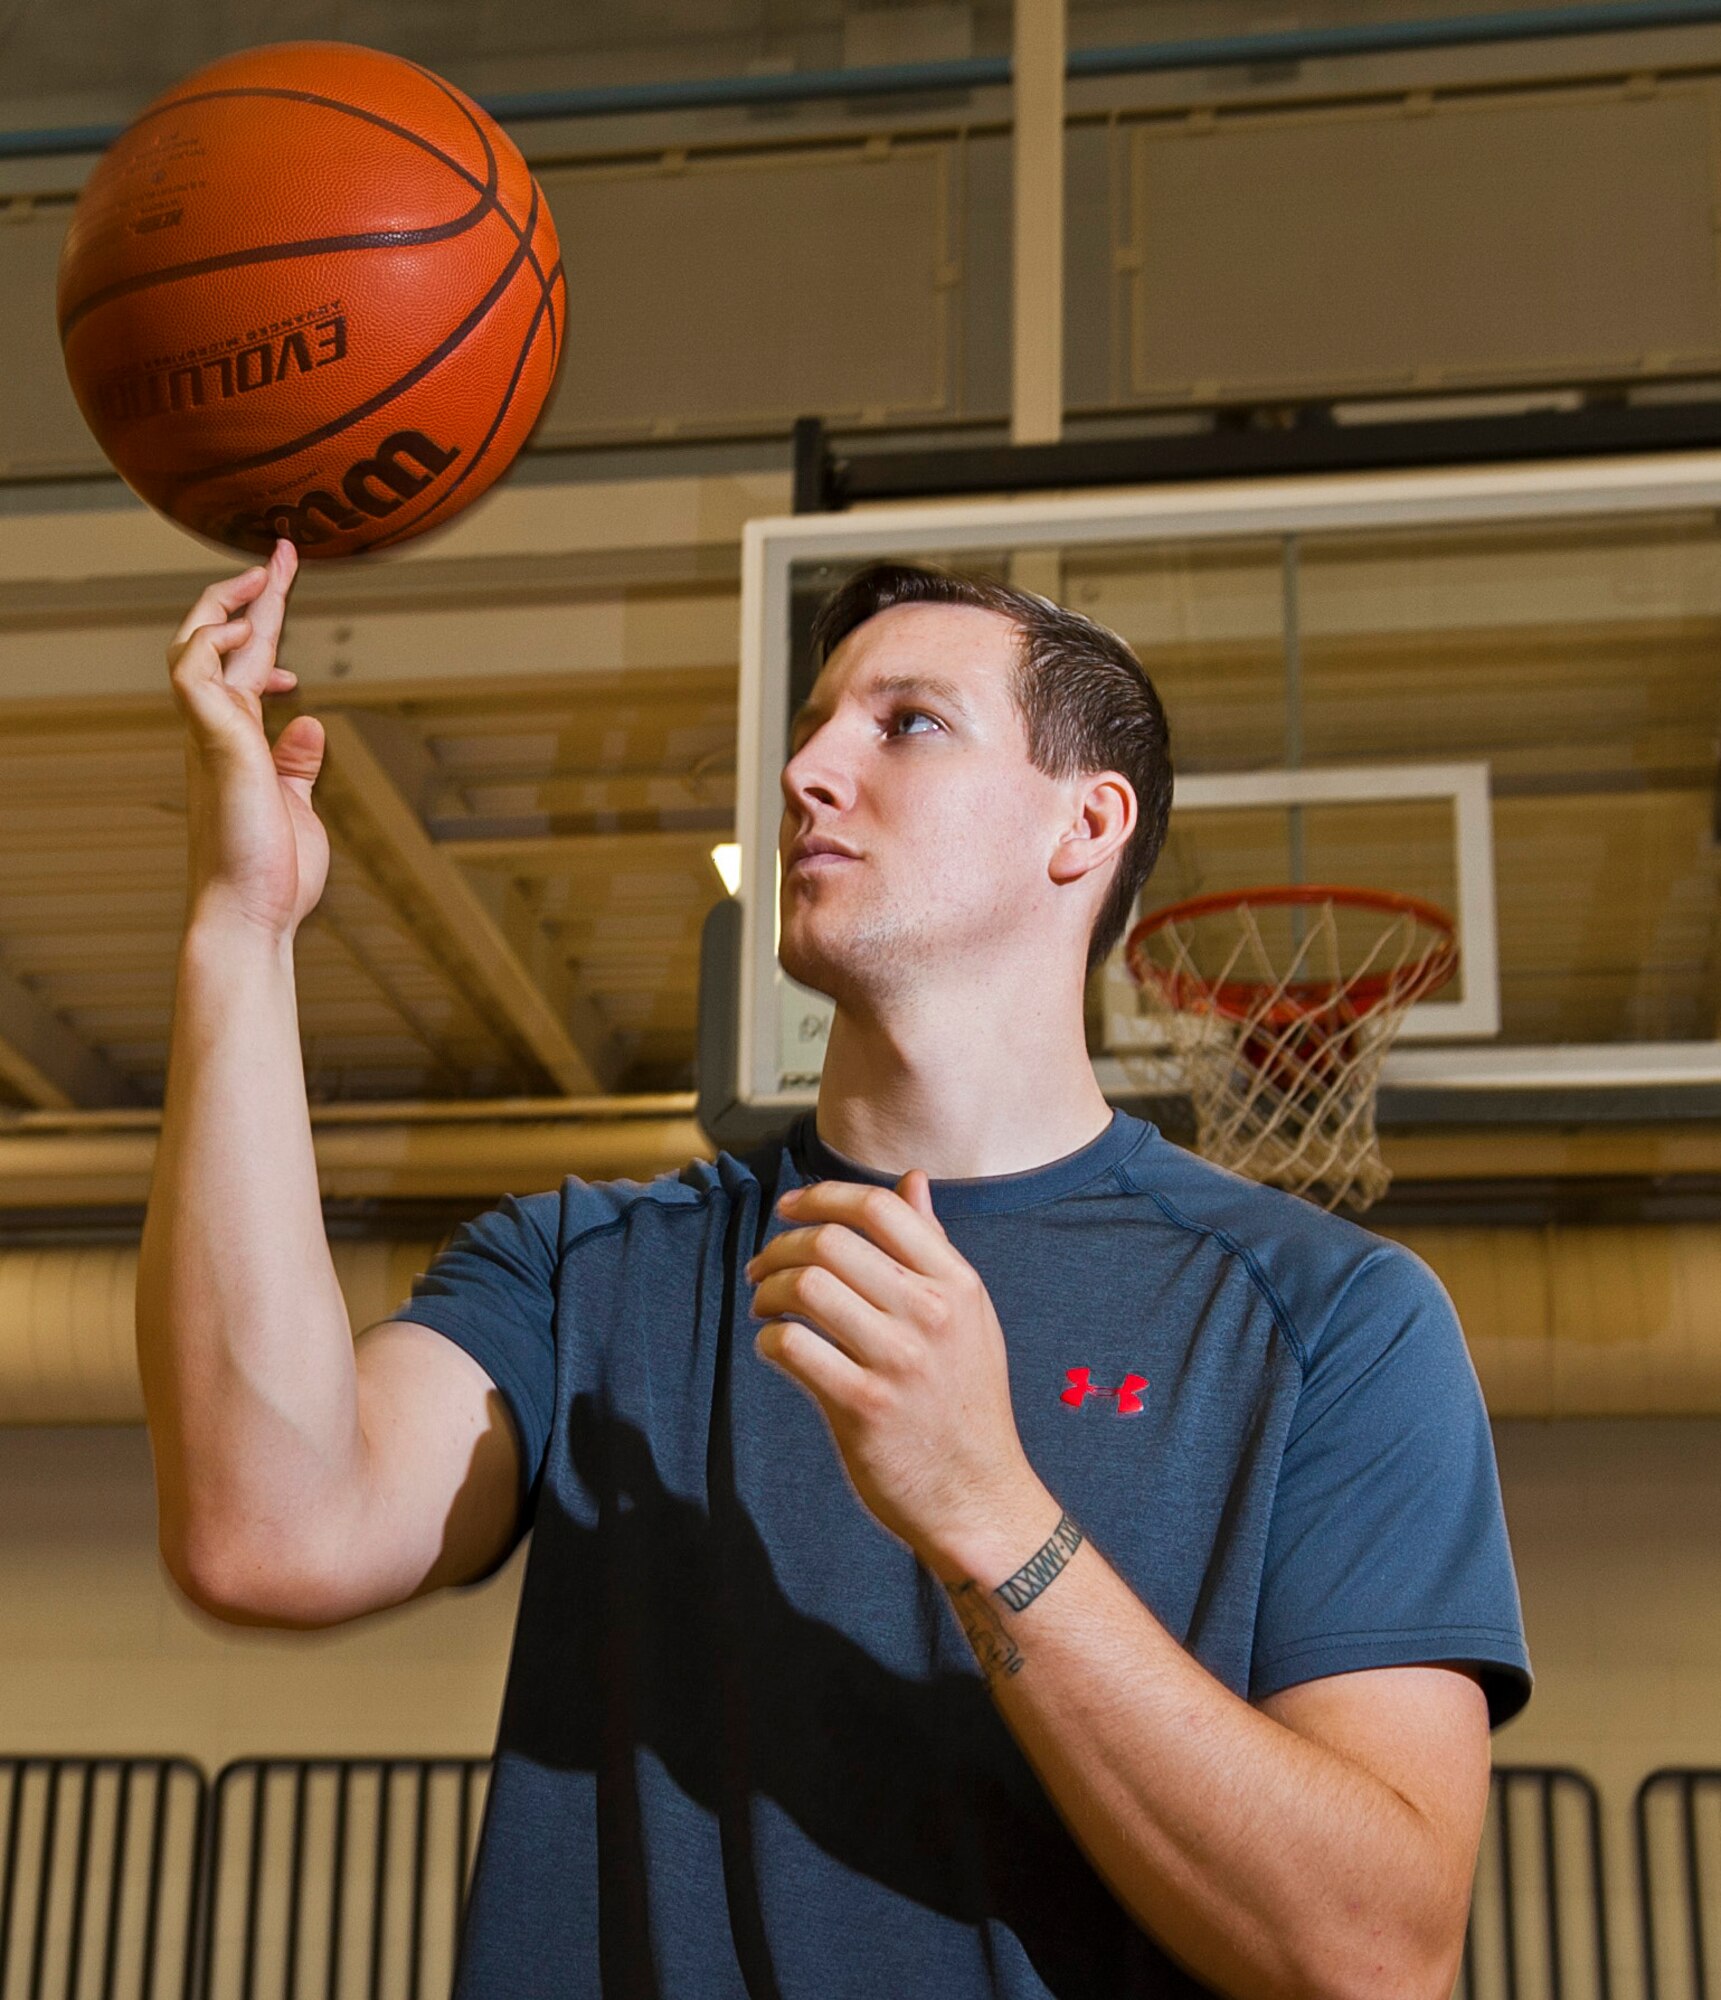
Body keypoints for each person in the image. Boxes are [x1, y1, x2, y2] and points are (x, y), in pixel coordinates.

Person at [137, 536, 1530, 2000]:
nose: (806, 774)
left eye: (905, 725)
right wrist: (242, 922)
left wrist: (987, 1512)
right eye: (810, 732)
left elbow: (1375, 1954)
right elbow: (262, 1530)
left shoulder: (1332, 1319)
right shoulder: (588, 1269)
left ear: (1086, 822)